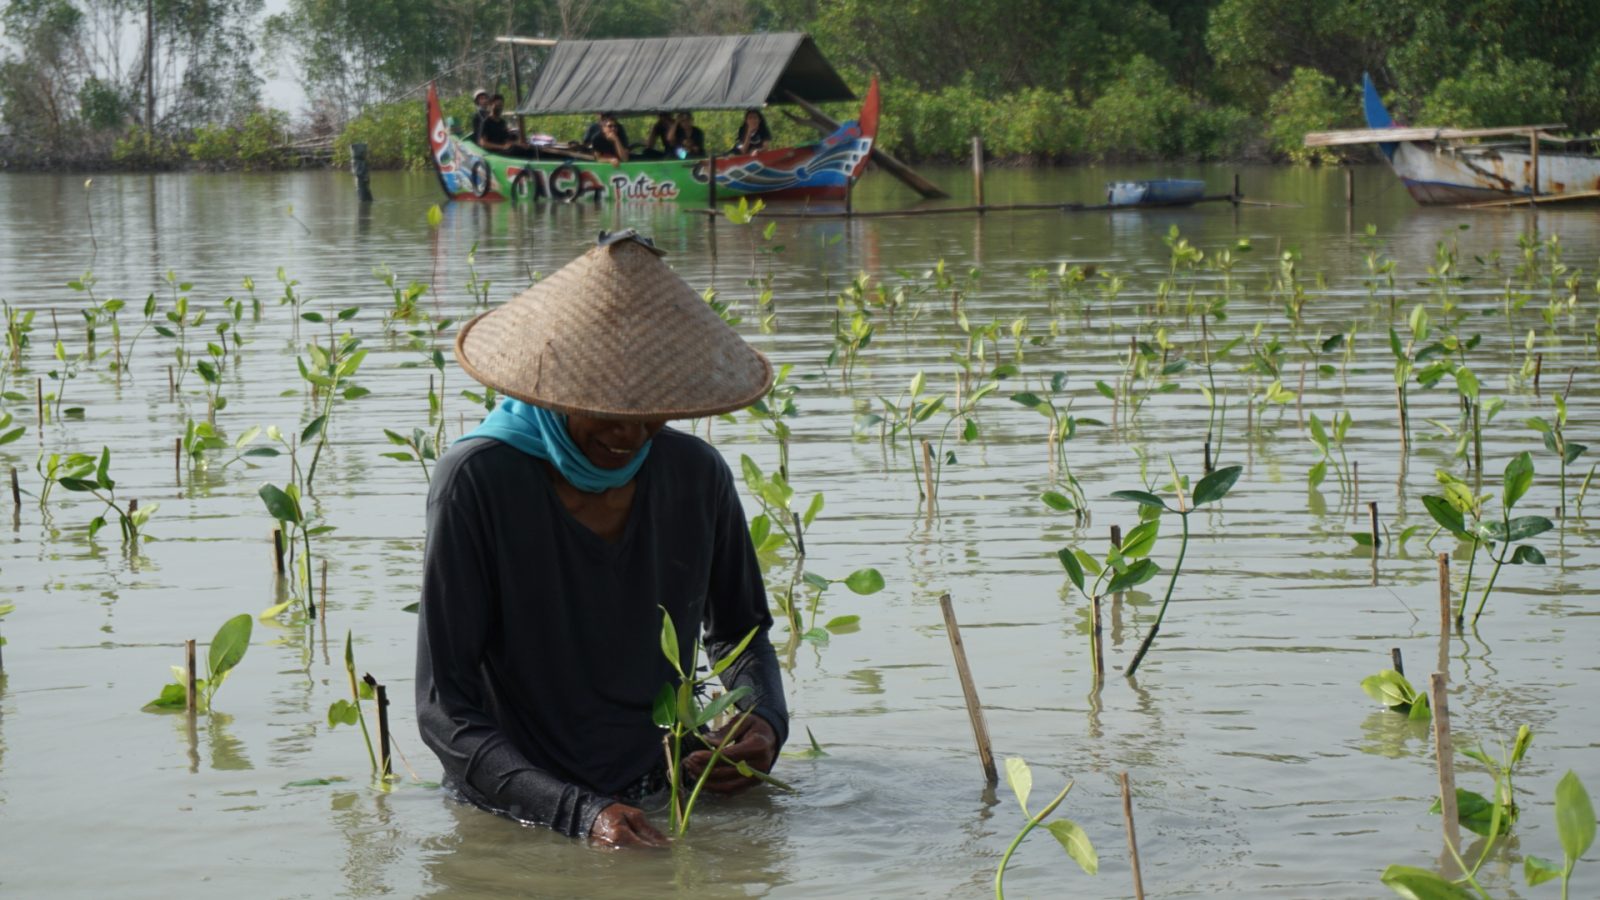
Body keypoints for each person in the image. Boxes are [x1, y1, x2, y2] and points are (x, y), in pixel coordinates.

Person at [417, 230, 788, 848]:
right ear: (552, 392)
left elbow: (740, 635)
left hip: (662, 786)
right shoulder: (478, 481)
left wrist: (765, 723)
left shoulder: (696, 477)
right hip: (519, 807)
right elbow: (444, 711)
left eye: (651, 412)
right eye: (605, 410)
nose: (631, 434)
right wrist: (579, 814)